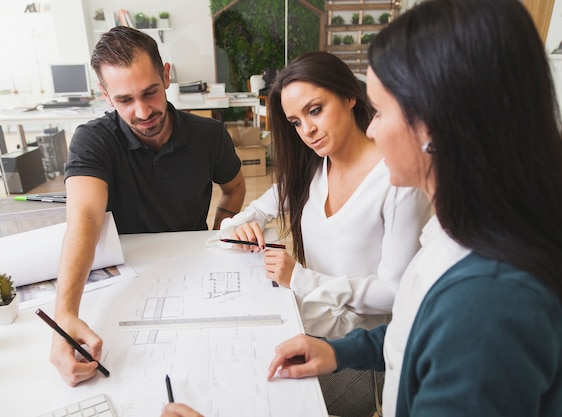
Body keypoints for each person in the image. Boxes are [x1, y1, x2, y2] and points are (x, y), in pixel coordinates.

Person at [164, 0, 562, 415]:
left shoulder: (487, 306)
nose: (372, 128)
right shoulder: (453, 233)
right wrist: (340, 353)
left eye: (383, 110)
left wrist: (306, 285)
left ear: (440, 123)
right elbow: (408, 329)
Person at [212, 51, 430, 416]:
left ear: (349, 97)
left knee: (260, 402)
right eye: (295, 122)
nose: (307, 131)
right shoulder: (312, 168)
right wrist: (244, 224)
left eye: (315, 110)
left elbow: (395, 293)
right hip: (305, 322)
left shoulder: (396, 180)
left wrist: (301, 278)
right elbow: (238, 223)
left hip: (360, 352)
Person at [50, 26, 246, 386]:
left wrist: (222, 238)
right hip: (124, 276)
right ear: (105, 95)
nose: (142, 112)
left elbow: (233, 190)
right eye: (125, 100)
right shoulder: (93, 141)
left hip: (194, 272)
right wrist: (65, 314)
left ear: (166, 75)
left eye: (150, 93)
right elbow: (84, 219)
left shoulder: (209, 136)